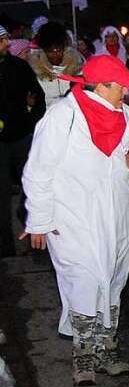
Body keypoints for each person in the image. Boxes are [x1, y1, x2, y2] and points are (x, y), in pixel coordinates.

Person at [21, 55, 129, 384]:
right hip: (72, 218)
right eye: (119, 85)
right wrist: (38, 220)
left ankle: (108, 348)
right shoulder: (63, 116)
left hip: (118, 217)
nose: (125, 91)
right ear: (100, 86)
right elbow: (38, 171)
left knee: (113, 281)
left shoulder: (126, 116)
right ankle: (83, 355)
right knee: (83, 281)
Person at [0, 25, 46, 257]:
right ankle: (5, 248)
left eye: (7, 39)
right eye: (2, 40)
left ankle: (35, 236)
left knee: (32, 186)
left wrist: (29, 121)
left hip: (21, 138)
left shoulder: (19, 67)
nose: (7, 44)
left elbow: (39, 97)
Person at [29, 21, 83, 109]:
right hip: (46, 116)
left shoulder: (76, 64)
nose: (55, 54)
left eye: (59, 49)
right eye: (50, 51)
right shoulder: (33, 69)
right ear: (43, 50)